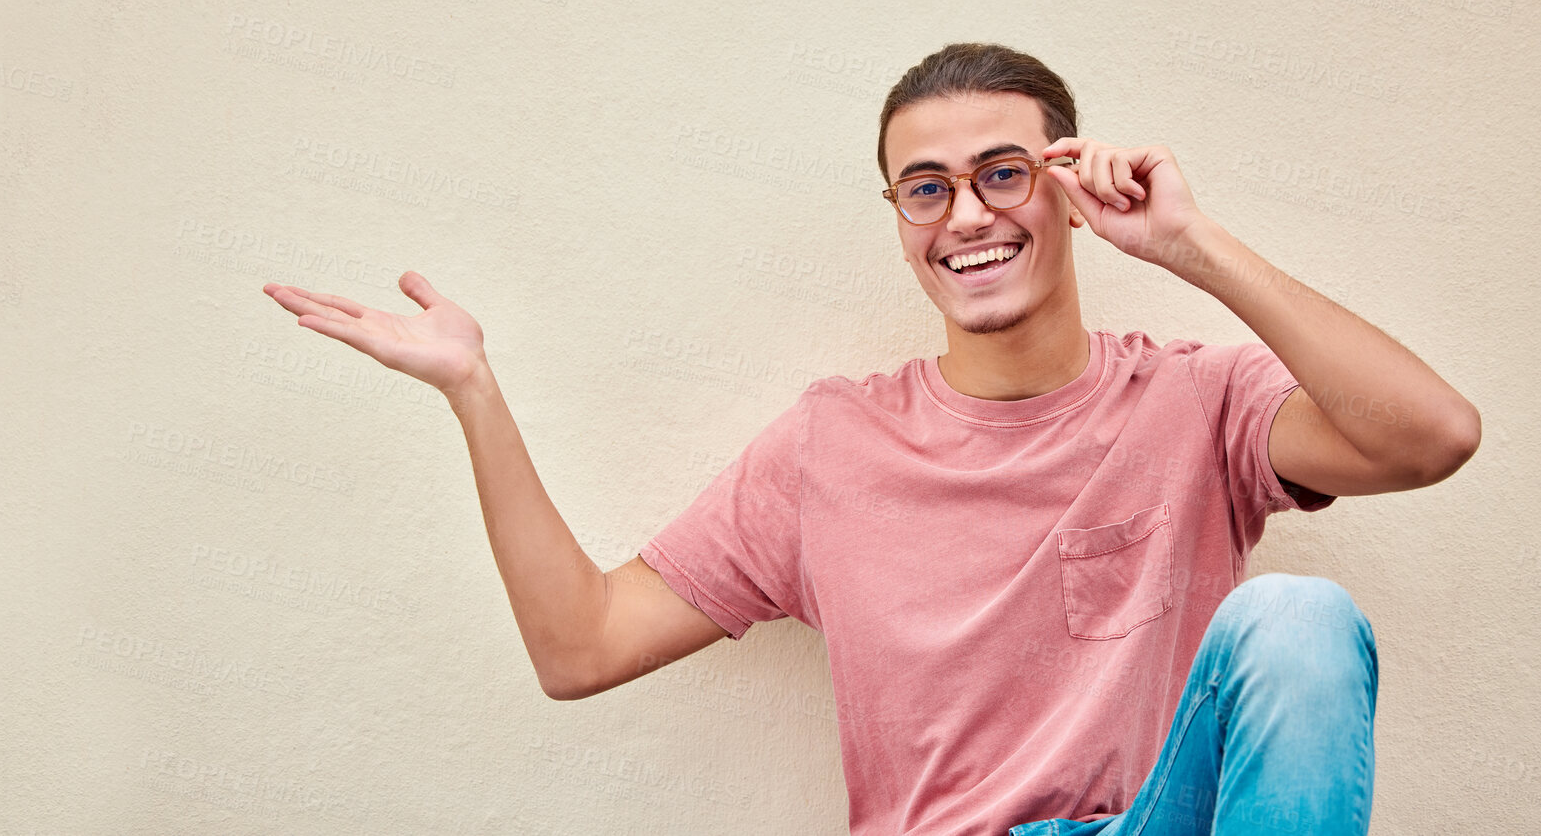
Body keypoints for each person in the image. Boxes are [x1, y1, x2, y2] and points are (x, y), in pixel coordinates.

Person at [261, 42, 1479, 835]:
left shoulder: (1196, 402)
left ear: (1066, 187)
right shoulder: (829, 448)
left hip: (1146, 820)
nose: (968, 215)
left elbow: (1433, 436)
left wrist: (1192, 246)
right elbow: (579, 646)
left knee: (1302, 619)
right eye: (926, 186)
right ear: (900, 216)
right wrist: (474, 390)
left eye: (1005, 173)